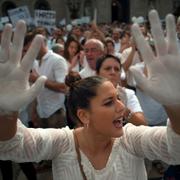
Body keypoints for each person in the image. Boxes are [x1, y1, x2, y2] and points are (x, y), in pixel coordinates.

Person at [0, 10, 180, 180]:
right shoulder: (61, 143)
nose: (122, 107)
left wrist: (175, 107)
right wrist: (6, 113)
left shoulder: (131, 140)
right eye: (109, 102)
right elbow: (12, 146)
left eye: (118, 98)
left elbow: (175, 149)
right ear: (84, 115)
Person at [96, 54, 147, 126]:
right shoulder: (90, 94)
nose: (113, 72)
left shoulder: (128, 94)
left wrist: (124, 110)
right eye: (107, 68)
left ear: (120, 74)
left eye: (116, 69)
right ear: (97, 74)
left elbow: (143, 124)